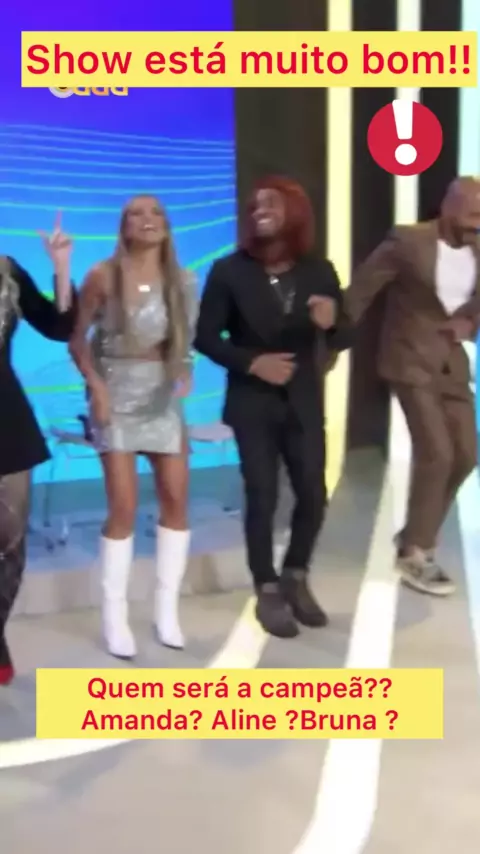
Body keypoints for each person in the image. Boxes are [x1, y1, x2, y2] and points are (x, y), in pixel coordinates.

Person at [194, 176, 352, 638]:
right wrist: (252, 362)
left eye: (271, 202)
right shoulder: (228, 271)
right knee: (262, 494)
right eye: (254, 204)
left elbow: (346, 333)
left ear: (294, 211)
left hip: (303, 401)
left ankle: (295, 575)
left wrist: (332, 322)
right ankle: (265, 586)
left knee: (313, 494)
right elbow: (205, 337)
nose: (260, 209)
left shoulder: (319, 270)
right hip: (252, 401)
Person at [69, 195, 197, 660]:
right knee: (123, 505)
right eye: (137, 214)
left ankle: (166, 612)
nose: (148, 220)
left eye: (156, 212)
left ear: (167, 225)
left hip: (160, 396)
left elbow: (185, 339)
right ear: (123, 227)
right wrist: (97, 389)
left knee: (176, 499)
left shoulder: (183, 279)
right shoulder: (102, 276)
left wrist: (184, 367)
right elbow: (76, 340)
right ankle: (115, 617)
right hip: (115, 393)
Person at [344, 176, 480, 597]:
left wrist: (470, 322)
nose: (478, 223)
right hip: (408, 359)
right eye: (473, 213)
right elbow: (363, 288)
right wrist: (330, 337)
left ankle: (414, 535)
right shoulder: (409, 241)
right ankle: (416, 552)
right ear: (449, 206)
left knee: (467, 455)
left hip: (451, 362)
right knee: (437, 452)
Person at [0, 215, 75, 685]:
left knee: (9, 545)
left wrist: (61, 267)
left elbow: (59, 326)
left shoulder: (7, 271)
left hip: (5, 421)